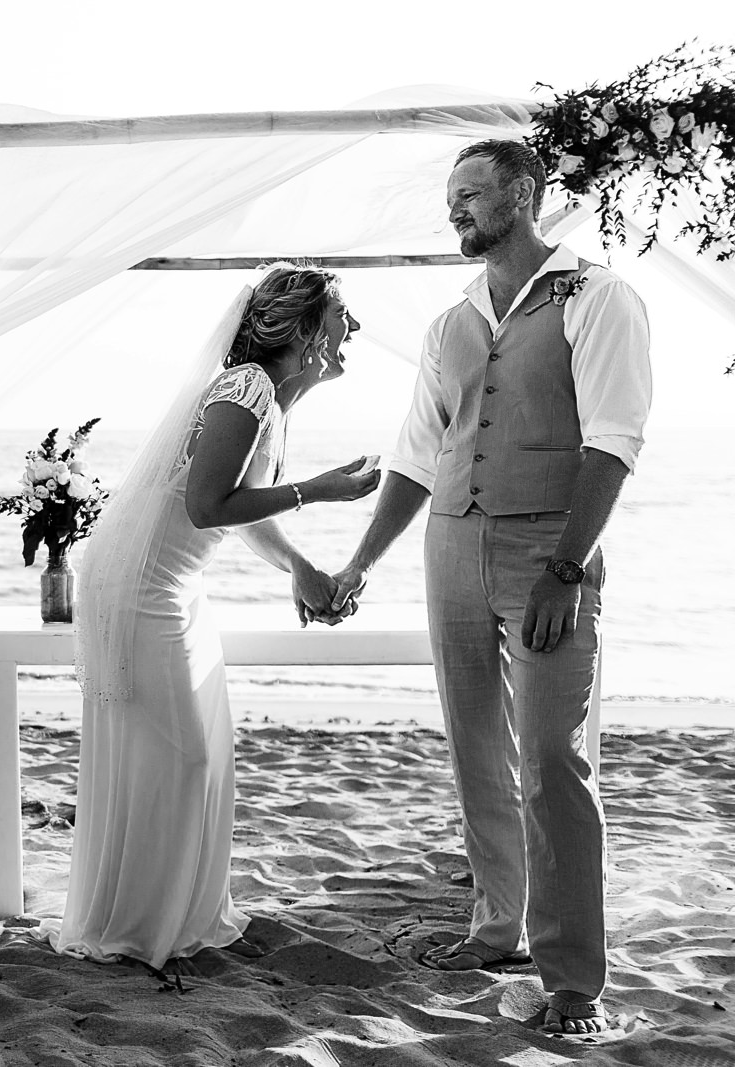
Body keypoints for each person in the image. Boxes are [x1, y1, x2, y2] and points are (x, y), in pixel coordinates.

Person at [329, 139, 651, 1036]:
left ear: (525, 192)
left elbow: (613, 443)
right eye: (451, 198)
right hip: (451, 549)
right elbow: (416, 454)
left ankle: (575, 981)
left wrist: (565, 568)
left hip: (548, 553)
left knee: (552, 758)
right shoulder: (451, 322)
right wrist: (360, 563)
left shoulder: (599, 296)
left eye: (471, 193)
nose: (457, 210)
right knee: (476, 748)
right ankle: (497, 925)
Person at [57, 263, 379, 977]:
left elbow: (237, 504)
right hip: (143, 585)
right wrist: (319, 491)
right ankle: (140, 930)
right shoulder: (247, 388)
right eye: (342, 317)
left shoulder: (267, 397)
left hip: (175, 581)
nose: (353, 329)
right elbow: (207, 505)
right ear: (302, 328)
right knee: (181, 754)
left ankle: (174, 918)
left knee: (204, 751)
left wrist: (296, 564)